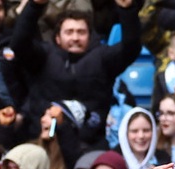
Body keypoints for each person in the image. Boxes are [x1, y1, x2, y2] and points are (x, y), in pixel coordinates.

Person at [10, 0, 141, 145]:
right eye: (69, 32)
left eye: (81, 32)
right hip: (44, 142)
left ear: (90, 37)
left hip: (89, 146)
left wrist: (127, 10)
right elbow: (19, 43)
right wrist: (35, 5)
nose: (75, 38)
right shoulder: (43, 57)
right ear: (58, 38)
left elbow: (131, 48)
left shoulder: (103, 59)